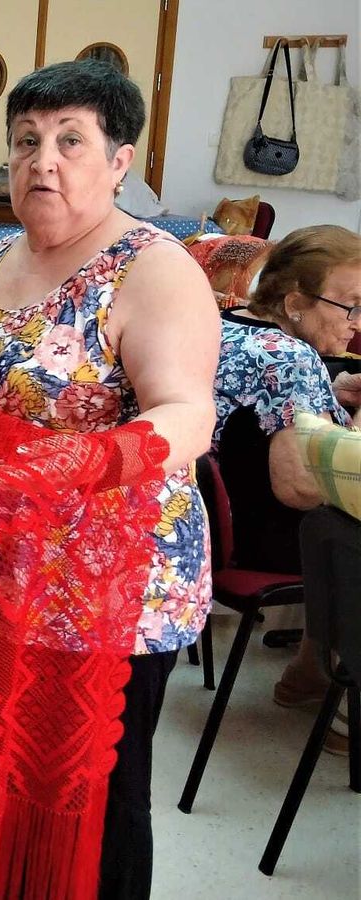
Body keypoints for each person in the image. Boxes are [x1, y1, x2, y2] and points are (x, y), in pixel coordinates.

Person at [0, 60, 218, 899]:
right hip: (4, 567)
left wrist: (93, 457)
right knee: (17, 771)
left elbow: (186, 415)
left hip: (106, 583)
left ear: (119, 159)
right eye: (27, 142)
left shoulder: (153, 269)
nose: (44, 162)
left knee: (96, 799)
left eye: (72, 141)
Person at [211, 225, 360, 713]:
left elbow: (252, 422)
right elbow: (298, 489)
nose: (356, 324)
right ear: (296, 302)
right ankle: (339, 710)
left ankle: (312, 666)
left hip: (212, 525)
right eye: (351, 306)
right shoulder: (292, 358)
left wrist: (330, 400)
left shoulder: (225, 323)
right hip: (265, 540)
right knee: (347, 528)